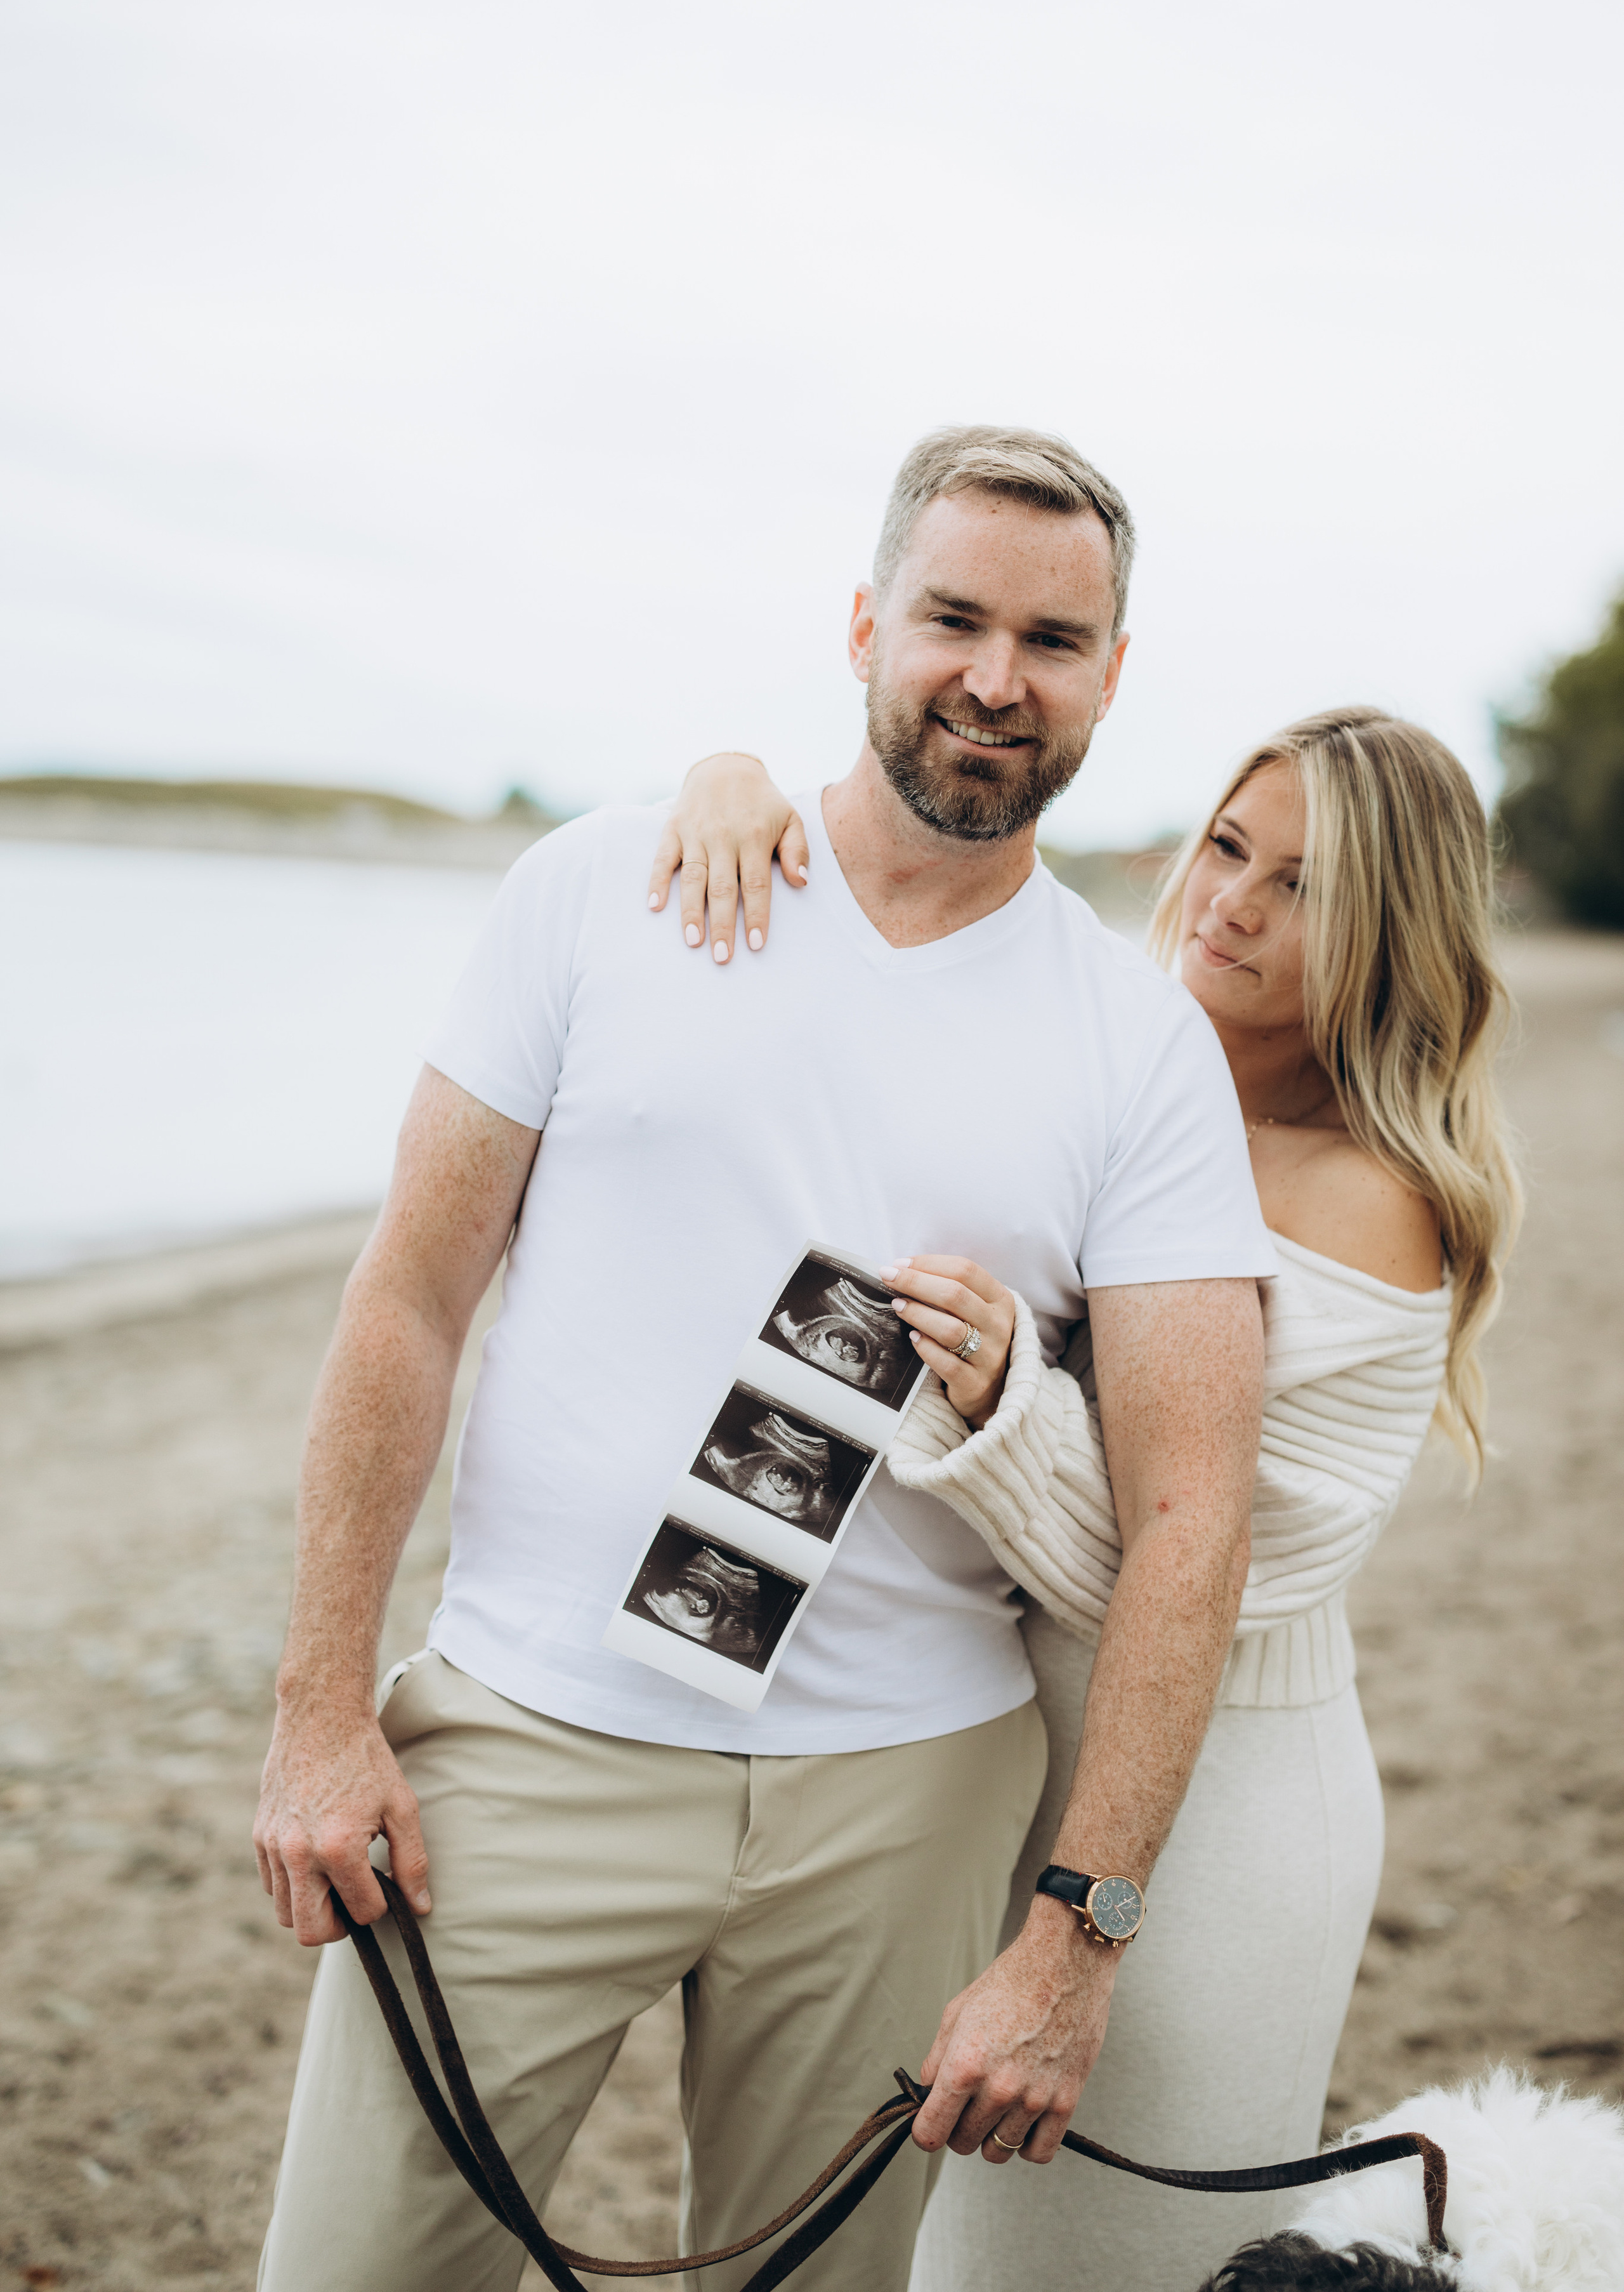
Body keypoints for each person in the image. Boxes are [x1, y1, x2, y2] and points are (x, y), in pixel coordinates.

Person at [251, 424, 1276, 2292]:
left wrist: (1075, 1941)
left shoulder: (1140, 1050)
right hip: (524, 1743)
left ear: (1114, 678)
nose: (994, 675)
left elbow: (1195, 1511)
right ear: (867, 620)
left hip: (908, 1797)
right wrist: (321, 1713)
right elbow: (404, 1300)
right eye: (954, 617)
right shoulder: (597, 891)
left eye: (1054, 641)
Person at [650, 704, 1521, 2289]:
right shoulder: (1117, 1064)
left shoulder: (1365, 1199)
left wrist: (999, 1404)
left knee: (1099, 2264)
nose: (1229, 902)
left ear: (1392, 929)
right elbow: (882, 988)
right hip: (968, 1742)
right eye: (1225, 847)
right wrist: (734, 791)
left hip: (1215, 1811)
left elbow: (1203, 1558)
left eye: (1302, 886)